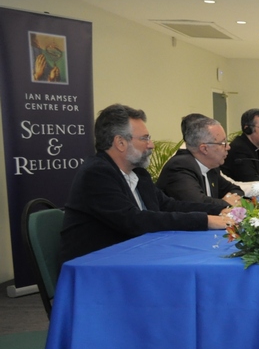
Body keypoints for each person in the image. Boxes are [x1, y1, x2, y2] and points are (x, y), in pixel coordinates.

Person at [60, 104, 231, 263]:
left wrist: (220, 210)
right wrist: (205, 220)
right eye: (145, 138)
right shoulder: (97, 174)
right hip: (98, 264)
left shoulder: (138, 173)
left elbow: (168, 205)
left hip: (133, 255)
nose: (151, 145)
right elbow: (133, 220)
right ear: (120, 142)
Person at [156, 115, 244, 208]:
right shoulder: (180, 167)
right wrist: (227, 203)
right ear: (204, 148)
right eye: (223, 143)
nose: (228, 147)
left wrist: (230, 198)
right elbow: (198, 204)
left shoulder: (211, 167)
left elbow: (236, 189)